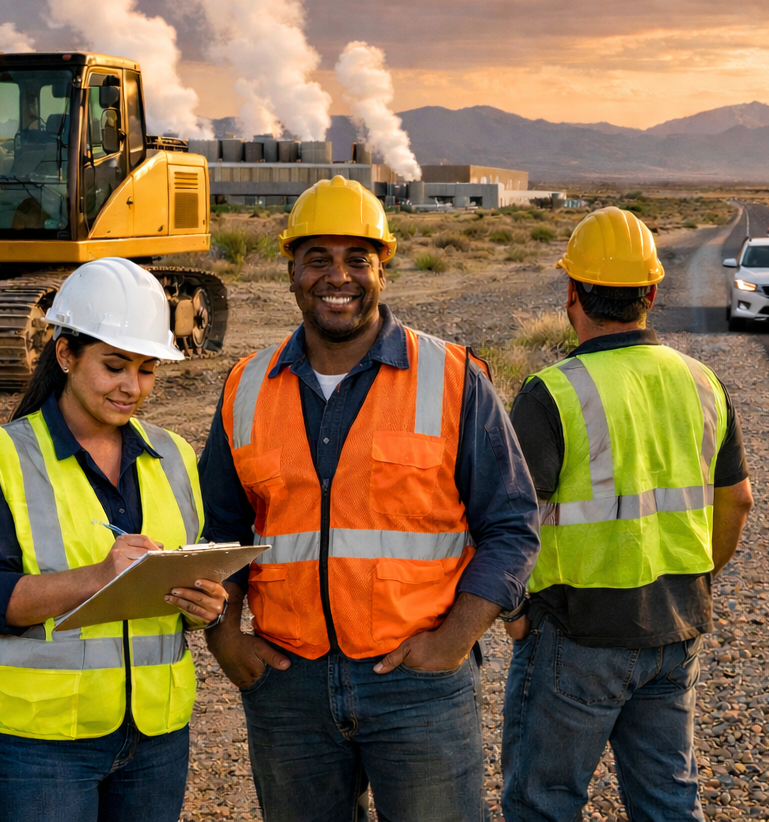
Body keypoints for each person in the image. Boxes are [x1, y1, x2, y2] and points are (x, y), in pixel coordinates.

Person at [197, 176, 540, 822]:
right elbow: (220, 530)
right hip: (287, 689)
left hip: (418, 685)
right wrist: (225, 640)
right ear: (290, 268)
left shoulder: (451, 379)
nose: (338, 276)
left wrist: (454, 641)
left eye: (358, 258)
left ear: (384, 267)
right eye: (318, 258)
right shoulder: (246, 387)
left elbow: (513, 525)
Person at [500, 207, 754, 822]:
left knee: (544, 803)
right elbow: (738, 500)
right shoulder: (702, 382)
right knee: (668, 801)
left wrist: (512, 614)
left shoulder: (552, 391)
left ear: (571, 294)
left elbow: (507, 523)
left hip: (575, 636)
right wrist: (698, 577)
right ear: (652, 292)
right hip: (677, 631)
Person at [0, 257, 229, 822]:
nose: (133, 387)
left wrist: (205, 606)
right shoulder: (3, 456)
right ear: (65, 355)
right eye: (114, 366)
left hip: (154, 739)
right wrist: (100, 578)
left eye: (147, 369)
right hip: (36, 744)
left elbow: (185, 577)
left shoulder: (173, 456)